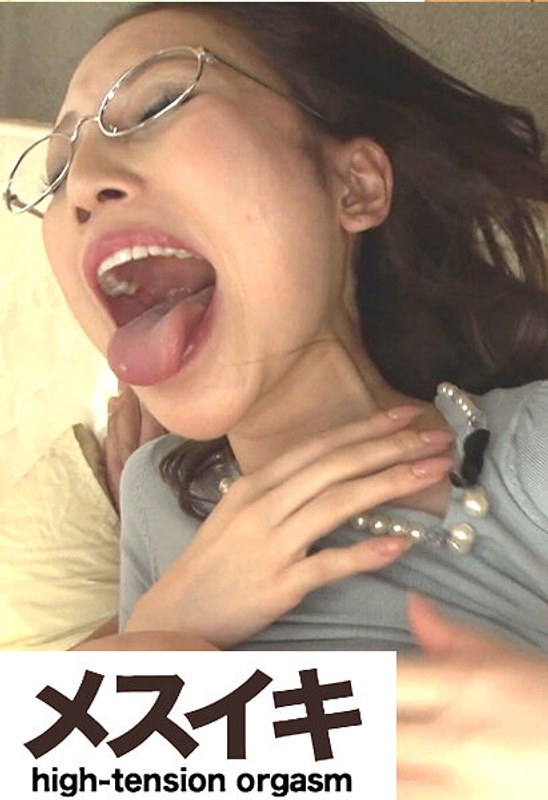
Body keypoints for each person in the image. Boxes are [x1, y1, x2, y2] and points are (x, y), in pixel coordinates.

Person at [4, 3, 548, 795]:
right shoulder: (157, 492)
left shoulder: (529, 450)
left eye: (157, 104)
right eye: (54, 173)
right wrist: (166, 624)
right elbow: (64, 768)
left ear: (354, 186)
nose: (80, 186)